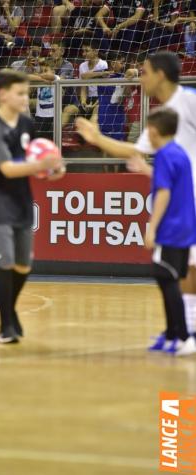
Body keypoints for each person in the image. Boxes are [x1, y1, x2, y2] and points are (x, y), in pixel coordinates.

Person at [76, 51, 196, 340]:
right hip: (181, 200)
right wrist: (97, 138)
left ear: (160, 75)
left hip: (187, 198)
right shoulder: (159, 116)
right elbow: (136, 151)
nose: (139, 77)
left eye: (143, 72)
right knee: (183, 267)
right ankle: (185, 329)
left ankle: (186, 330)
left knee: (186, 267)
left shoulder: (190, 100)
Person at [0, 69, 65, 343]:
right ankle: (6, 325)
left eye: (27, 93)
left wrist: (53, 171)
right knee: (5, 260)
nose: (25, 98)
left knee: (24, 265)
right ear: (2, 95)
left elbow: (34, 160)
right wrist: (41, 165)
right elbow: (6, 169)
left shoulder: (26, 124)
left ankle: (6, 304)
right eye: (20, 93)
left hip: (21, 198)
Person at [144, 108, 196, 355]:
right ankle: (172, 334)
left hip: (171, 228)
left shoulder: (164, 155)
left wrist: (151, 228)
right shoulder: (180, 154)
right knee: (168, 279)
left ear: (153, 131)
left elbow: (164, 192)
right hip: (186, 227)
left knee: (166, 278)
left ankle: (184, 337)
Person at [62, 41, 109, 127]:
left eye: (87, 51)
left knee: (95, 114)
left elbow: (105, 91)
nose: (84, 54)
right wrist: (83, 102)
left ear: (95, 51)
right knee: (68, 109)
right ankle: (53, 135)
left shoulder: (104, 64)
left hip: (100, 99)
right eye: (83, 51)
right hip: (88, 99)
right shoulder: (82, 66)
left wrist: (94, 104)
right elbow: (83, 88)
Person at [34, 58, 60, 140]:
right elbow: (27, 77)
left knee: (54, 139)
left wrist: (38, 76)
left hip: (53, 116)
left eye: (45, 70)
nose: (43, 73)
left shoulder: (56, 78)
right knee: (37, 139)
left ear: (53, 71)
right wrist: (41, 79)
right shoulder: (39, 80)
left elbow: (50, 76)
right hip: (40, 116)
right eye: (41, 71)